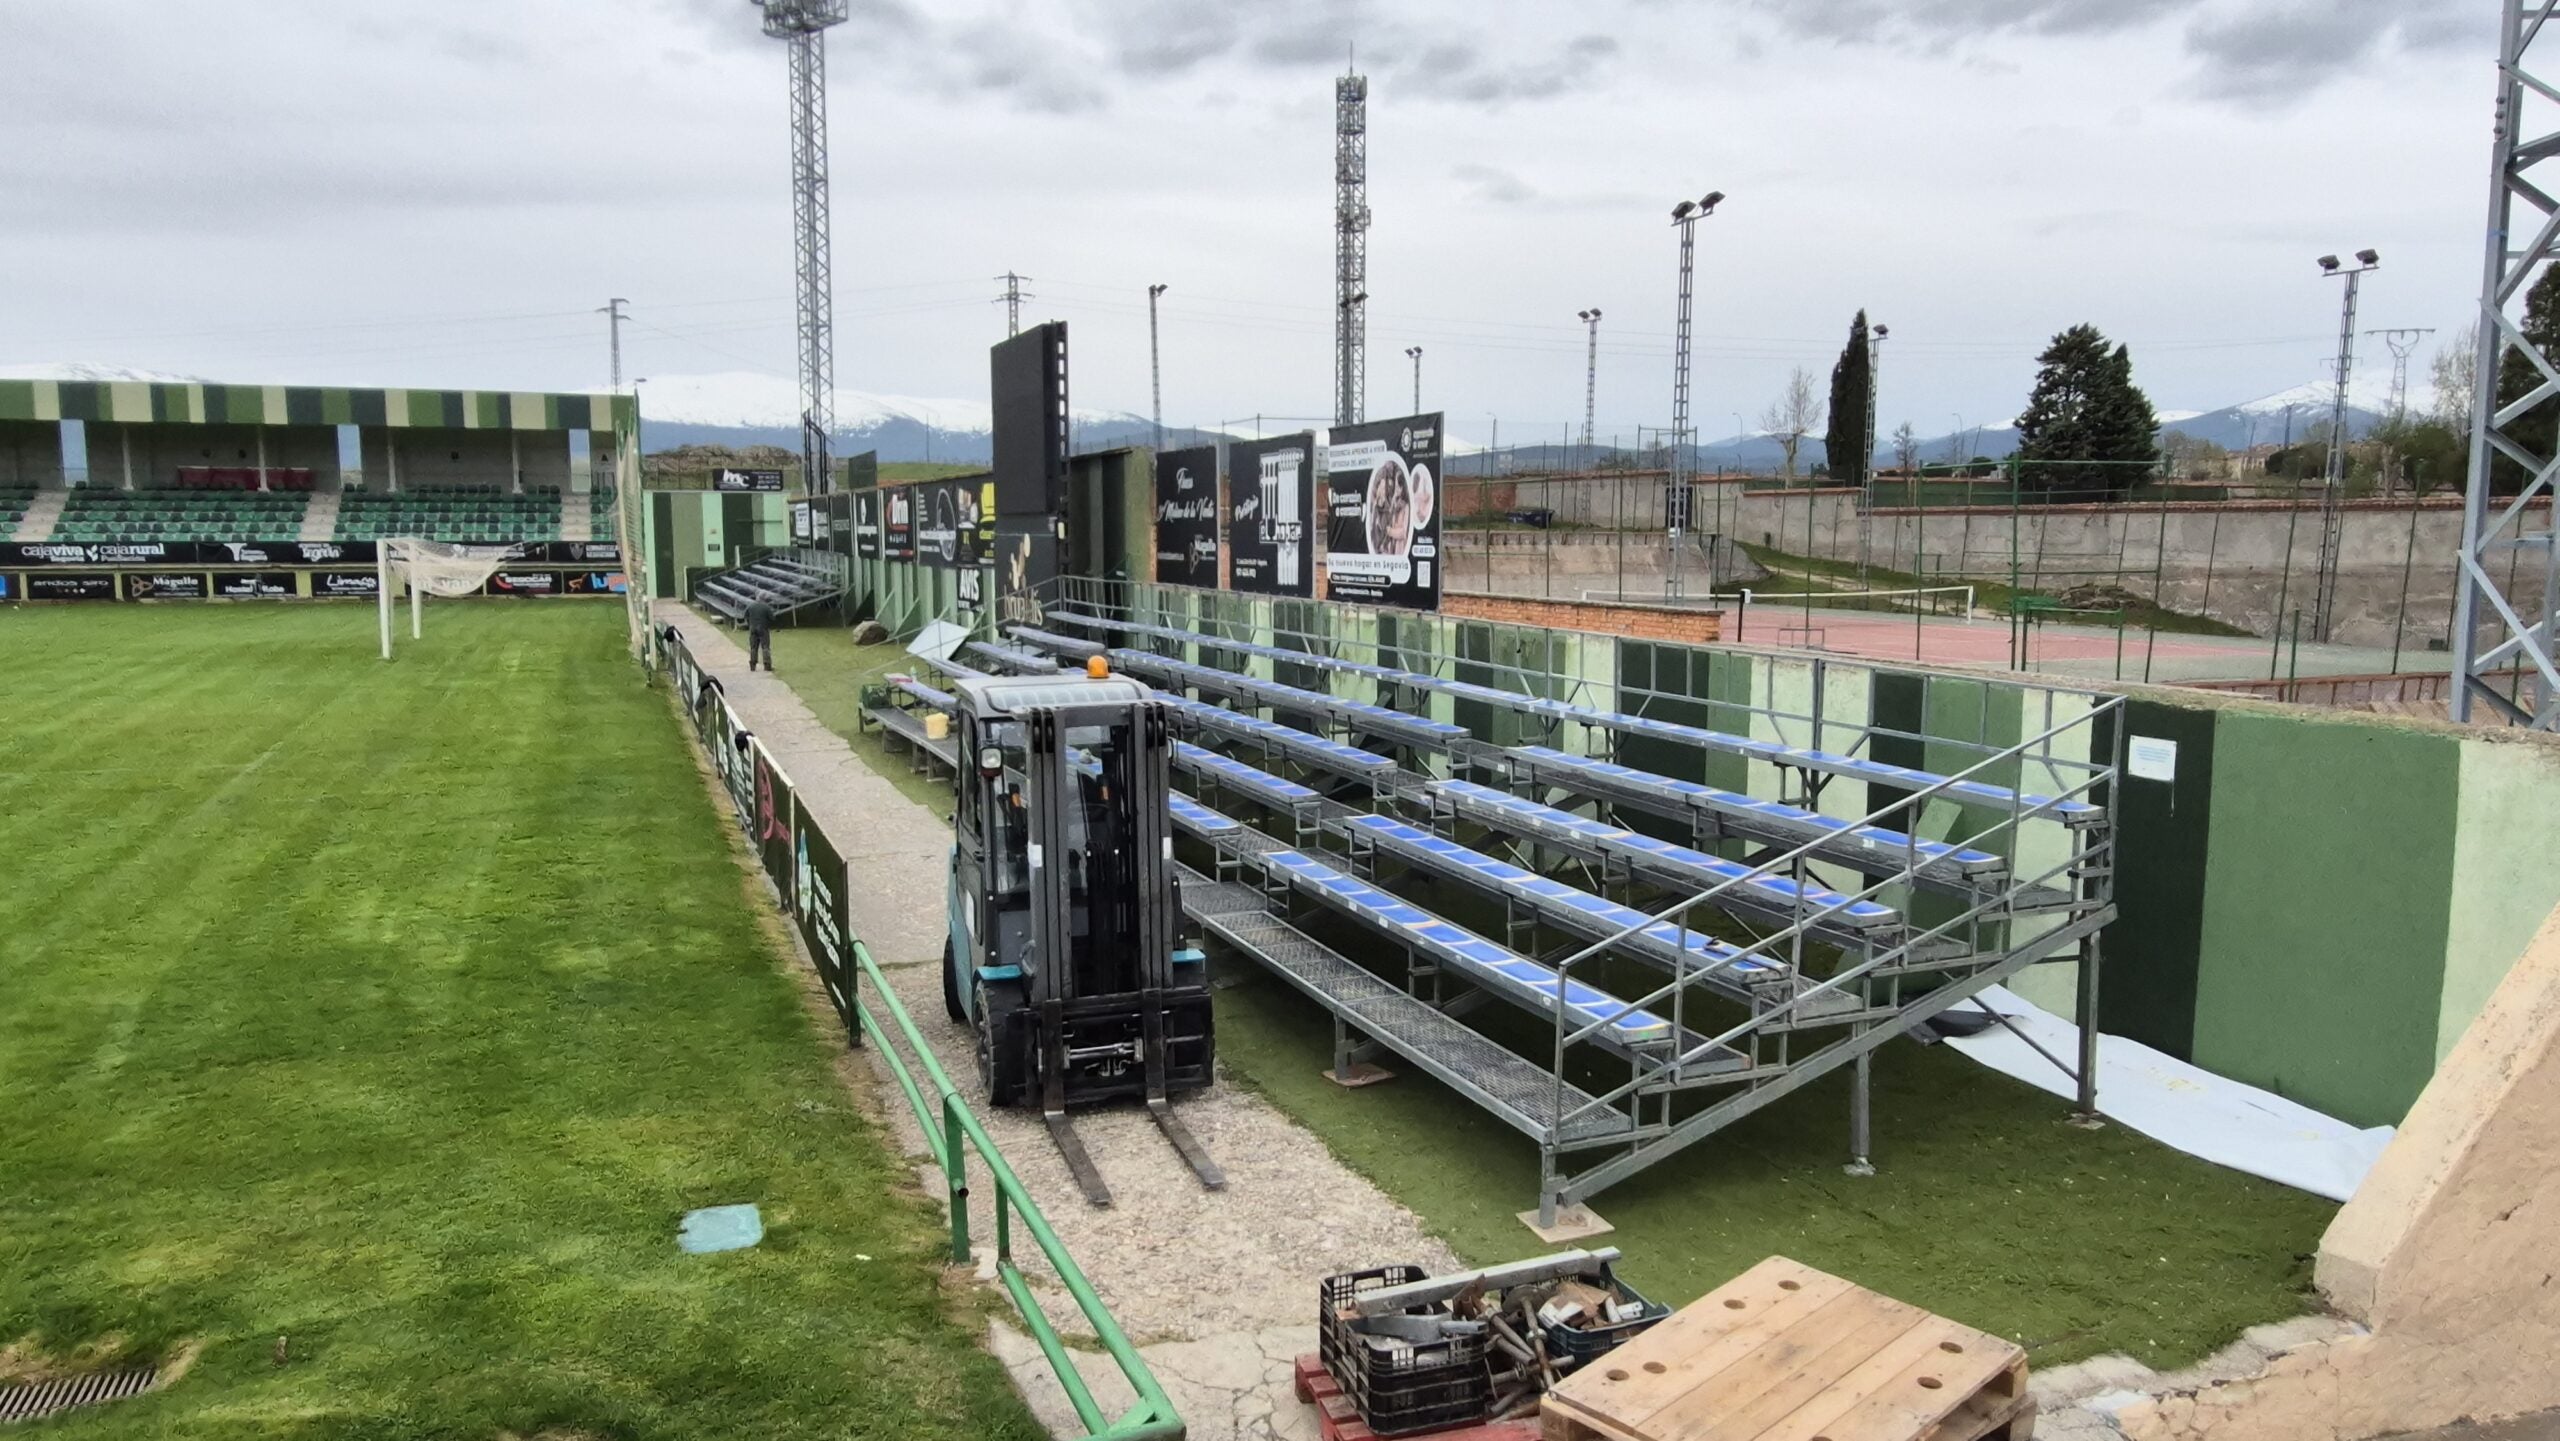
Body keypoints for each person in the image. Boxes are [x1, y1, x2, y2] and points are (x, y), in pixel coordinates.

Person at [744, 598, 774, 671]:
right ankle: (767, 665)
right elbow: (772, 618)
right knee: (765, 647)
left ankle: (753, 665)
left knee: (753, 647)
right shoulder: (766, 607)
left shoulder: (750, 606)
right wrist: (768, 625)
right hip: (763, 628)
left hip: (753, 628)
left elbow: (745, 616)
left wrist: (750, 624)